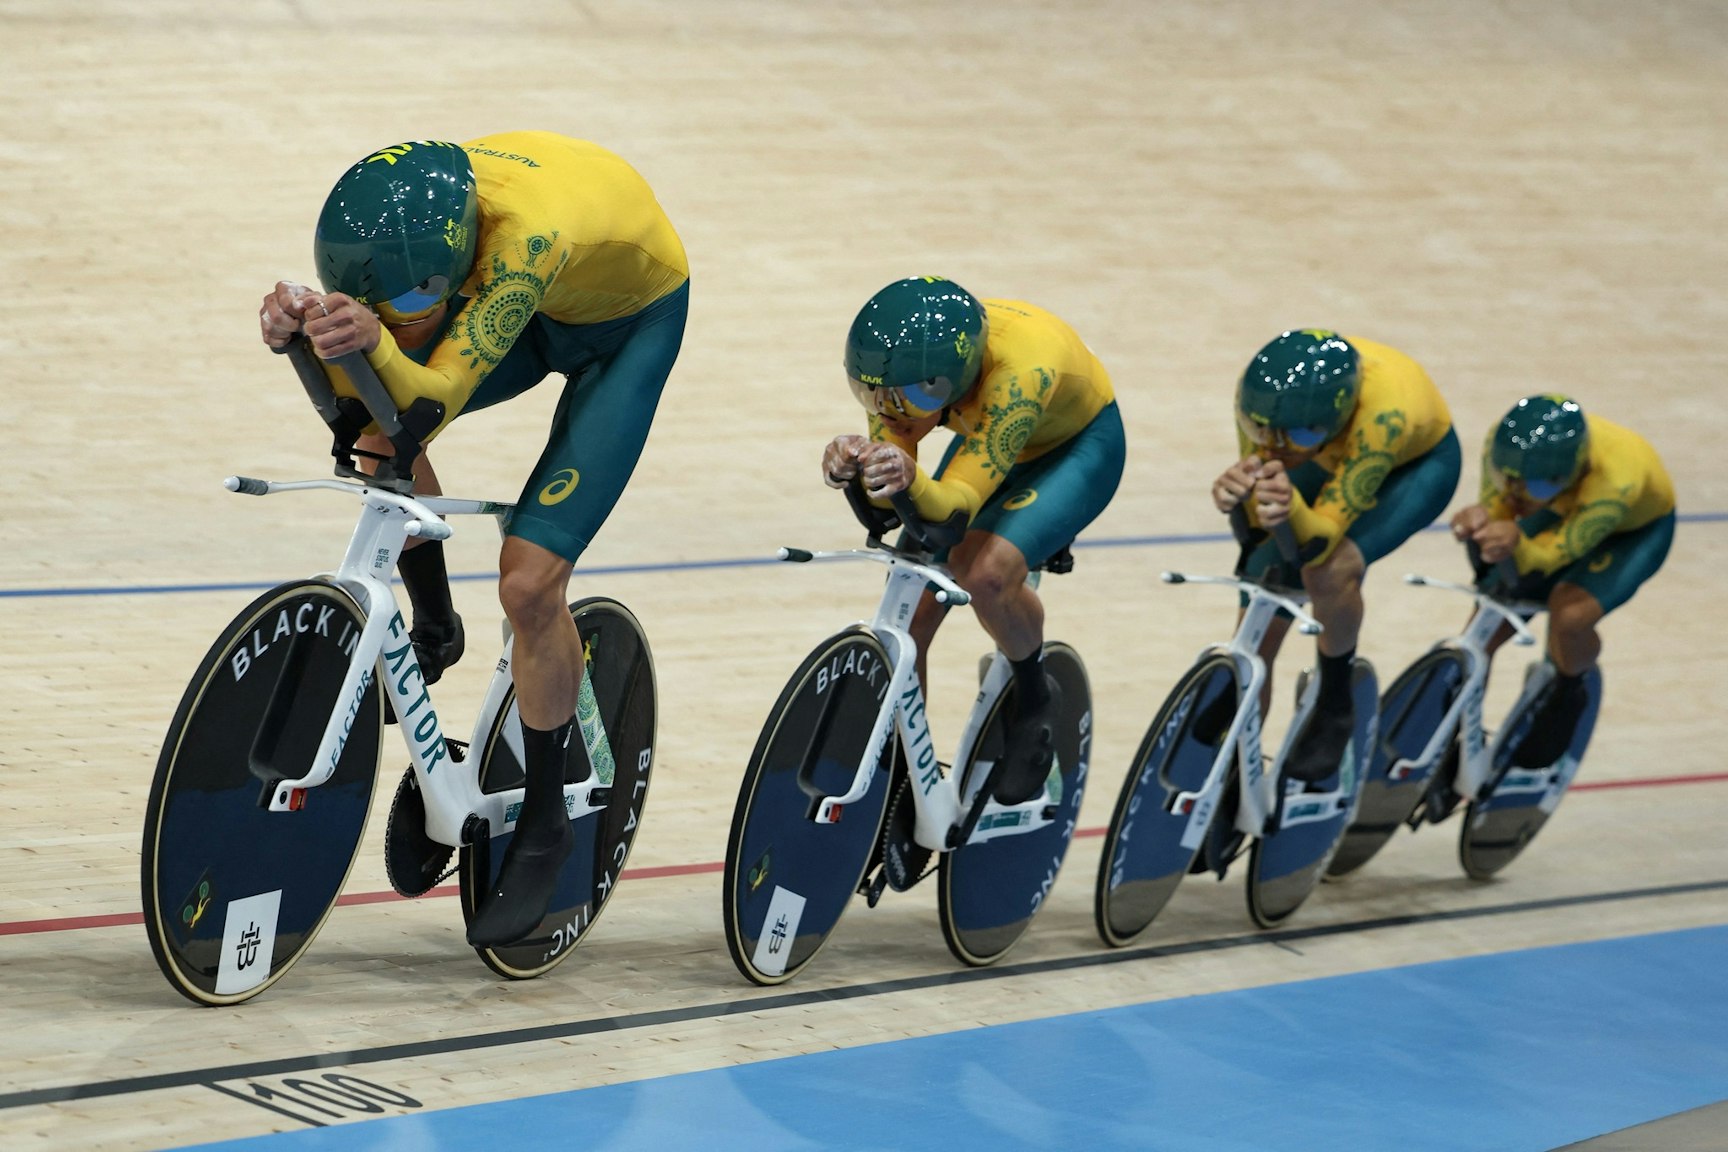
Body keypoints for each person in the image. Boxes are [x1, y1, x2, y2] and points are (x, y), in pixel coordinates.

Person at [259, 133, 689, 946]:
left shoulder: (526, 238)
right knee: (379, 443)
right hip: (536, 302)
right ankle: (434, 628)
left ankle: (542, 816)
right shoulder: (407, 224)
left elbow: (433, 393)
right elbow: (379, 402)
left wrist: (371, 342)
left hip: (625, 328)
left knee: (529, 585)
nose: (392, 319)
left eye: (407, 305)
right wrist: (303, 327)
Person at [821, 277, 1125, 804]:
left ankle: (1035, 698)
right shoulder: (902, 376)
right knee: (913, 600)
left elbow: (953, 509)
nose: (887, 408)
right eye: (871, 394)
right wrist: (856, 468)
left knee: (983, 573)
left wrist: (906, 477)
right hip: (990, 433)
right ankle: (902, 769)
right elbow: (890, 514)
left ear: (953, 380)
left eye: (904, 398)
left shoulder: (1018, 374)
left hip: (1074, 449)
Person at [1211, 329, 1459, 782]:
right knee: (1265, 566)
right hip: (1327, 454)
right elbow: (1257, 519)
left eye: (1297, 434)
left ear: (1338, 418)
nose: (1274, 444)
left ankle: (1335, 698)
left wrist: (1292, 509)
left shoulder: (1385, 416)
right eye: (1261, 429)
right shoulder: (1262, 399)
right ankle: (1245, 699)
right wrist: (1238, 494)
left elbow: (1319, 539)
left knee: (1330, 570)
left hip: (1410, 469)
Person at [1450, 394, 1675, 766]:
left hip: (1630, 533)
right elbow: (1502, 505)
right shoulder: (1504, 445)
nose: (1516, 494)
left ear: (1574, 473)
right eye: (1507, 478)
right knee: (1484, 626)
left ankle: (1569, 694)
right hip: (1559, 507)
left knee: (1568, 616)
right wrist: (1482, 519)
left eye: (1532, 487)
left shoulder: (1616, 480)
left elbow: (1549, 556)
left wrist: (1514, 539)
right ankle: (1451, 735)